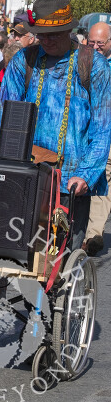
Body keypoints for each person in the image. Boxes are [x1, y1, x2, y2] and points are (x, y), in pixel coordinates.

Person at [0, 0, 111, 253]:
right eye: (42, 35)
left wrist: (86, 175)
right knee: (15, 252)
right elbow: (3, 120)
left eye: (54, 34)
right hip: (26, 174)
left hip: (72, 181)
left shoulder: (94, 65)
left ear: (69, 30)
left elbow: (103, 128)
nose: (47, 40)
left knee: (64, 260)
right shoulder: (23, 61)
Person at [85, 22, 111, 255]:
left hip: (108, 132)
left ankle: (93, 234)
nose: (95, 47)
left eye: (100, 43)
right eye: (91, 42)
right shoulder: (80, 62)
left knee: (104, 176)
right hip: (84, 131)